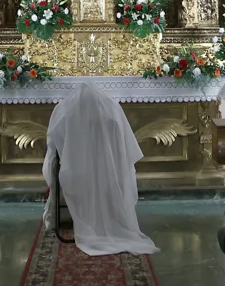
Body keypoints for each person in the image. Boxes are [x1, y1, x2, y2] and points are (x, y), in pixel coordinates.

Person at [41, 82, 158, 256]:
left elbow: (52, 145)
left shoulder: (64, 110)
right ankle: (113, 215)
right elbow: (127, 148)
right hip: (111, 175)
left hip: (75, 173)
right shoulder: (112, 109)